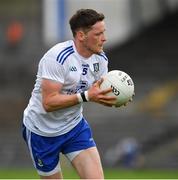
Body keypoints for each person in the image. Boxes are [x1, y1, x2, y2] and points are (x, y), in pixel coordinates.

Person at [22, 8, 118, 179]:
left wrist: (116, 97)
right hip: (42, 132)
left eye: (104, 33)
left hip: (74, 128)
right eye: (98, 34)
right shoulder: (57, 58)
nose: (104, 38)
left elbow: (98, 92)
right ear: (81, 36)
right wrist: (87, 96)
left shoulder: (101, 59)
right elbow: (48, 103)